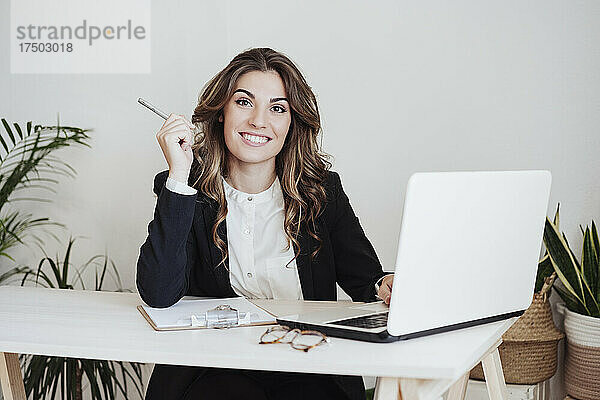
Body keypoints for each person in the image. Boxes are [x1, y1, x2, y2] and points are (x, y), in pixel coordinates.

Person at [136, 47, 395, 400]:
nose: (259, 120)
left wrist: (385, 284)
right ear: (221, 113)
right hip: (217, 367)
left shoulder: (322, 191)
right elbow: (159, 294)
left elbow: (366, 278)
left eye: (277, 108)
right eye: (244, 102)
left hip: (306, 364)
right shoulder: (185, 191)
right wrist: (180, 174)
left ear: (292, 122)